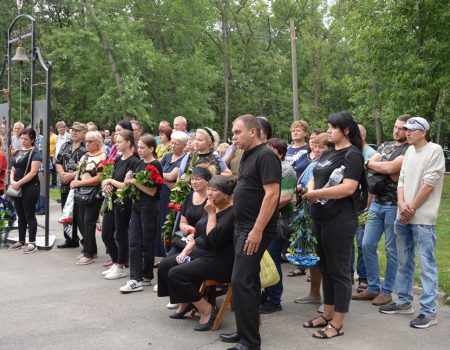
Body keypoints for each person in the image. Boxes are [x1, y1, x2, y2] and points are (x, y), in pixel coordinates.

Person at [219, 114, 281, 349]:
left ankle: (250, 343)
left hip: (255, 229)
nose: (233, 137)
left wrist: (257, 230)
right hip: (242, 226)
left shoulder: (266, 155)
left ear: (252, 132)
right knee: (249, 282)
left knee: (241, 280)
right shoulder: (246, 155)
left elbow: (272, 195)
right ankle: (245, 331)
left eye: (237, 132)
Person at [302, 111, 364, 339]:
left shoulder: (352, 155)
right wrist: (312, 192)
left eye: (332, 127)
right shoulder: (328, 153)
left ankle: (338, 322)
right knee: (325, 268)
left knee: (339, 272)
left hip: (340, 220)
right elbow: (314, 176)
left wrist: (317, 193)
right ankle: (327, 313)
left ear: (345, 130)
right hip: (320, 217)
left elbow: (348, 188)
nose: (328, 130)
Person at [379, 117, 445, 329]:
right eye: (406, 129)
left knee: (426, 264)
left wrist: (411, 207)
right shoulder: (408, 152)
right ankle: (404, 301)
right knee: (403, 260)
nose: (407, 133)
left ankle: (428, 312)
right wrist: (401, 204)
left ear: (423, 132)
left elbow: (429, 184)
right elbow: (402, 180)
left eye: (412, 130)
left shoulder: (434, 150)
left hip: (422, 218)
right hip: (404, 214)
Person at [158, 175, 236, 331]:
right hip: (201, 251)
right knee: (165, 265)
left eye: (215, 190)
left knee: (177, 273)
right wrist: (192, 238)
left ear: (226, 194)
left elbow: (213, 240)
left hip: (219, 260)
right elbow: (201, 229)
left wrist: (212, 213)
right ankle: (186, 302)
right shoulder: (212, 204)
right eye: (209, 189)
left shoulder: (230, 213)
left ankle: (207, 309)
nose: (210, 193)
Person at [352, 115, 411, 306]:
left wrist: (380, 167)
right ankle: (373, 288)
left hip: (394, 205)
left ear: (408, 130)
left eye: (401, 128)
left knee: (390, 249)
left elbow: (392, 168)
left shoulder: (409, 149)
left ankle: (386, 292)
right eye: (395, 127)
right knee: (367, 244)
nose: (397, 131)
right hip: (376, 203)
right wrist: (380, 167)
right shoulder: (385, 145)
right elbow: (372, 164)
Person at [119, 134, 163, 292]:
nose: (140, 150)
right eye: (139, 147)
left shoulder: (156, 165)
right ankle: (135, 278)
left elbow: (152, 191)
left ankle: (146, 274)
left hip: (149, 206)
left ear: (151, 148)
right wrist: (128, 180)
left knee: (147, 241)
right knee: (135, 240)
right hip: (136, 205)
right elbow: (129, 184)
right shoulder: (138, 163)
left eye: (143, 147)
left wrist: (135, 182)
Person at [293, 133, 329, 309]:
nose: (317, 149)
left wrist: (312, 192)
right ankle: (314, 293)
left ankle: (332, 301)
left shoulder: (332, 165)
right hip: (309, 213)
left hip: (327, 214)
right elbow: (303, 184)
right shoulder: (314, 164)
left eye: (322, 147)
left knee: (327, 258)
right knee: (314, 256)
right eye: (315, 146)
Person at [261, 138, 296, 314]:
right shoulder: (268, 167)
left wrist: (262, 208)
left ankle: (275, 300)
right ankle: (266, 294)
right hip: (267, 220)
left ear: (280, 153)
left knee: (273, 260)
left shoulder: (286, 170)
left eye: (270, 150)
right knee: (265, 259)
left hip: (281, 222)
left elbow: (285, 197)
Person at [101, 130, 140, 279]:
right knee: (106, 234)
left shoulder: (134, 162)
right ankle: (117, 261)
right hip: (112, 200)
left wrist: (110, 181)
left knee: (121, 234)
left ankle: (121, 264)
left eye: (119, 141)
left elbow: (127, 185)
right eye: (115, 142)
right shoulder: (117, 160)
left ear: (128, 142)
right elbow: (109, 177)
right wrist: (106, 184)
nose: (116, 144)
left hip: (124, 201)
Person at [71, 131, 107, 265]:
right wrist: (75, 182)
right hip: (81, 193)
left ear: (97, 143)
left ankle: (88, 254)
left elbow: (100, 178)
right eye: (86, 141)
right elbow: (79, 172)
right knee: (81, 221)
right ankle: (91, 249)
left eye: (90, 141)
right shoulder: (85, 156)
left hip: (94, 193)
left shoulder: (102, 156)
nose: (86, 144)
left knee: (89, 222)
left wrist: (79, 183)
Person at [8, 128, 43, 253]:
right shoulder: (18, 151)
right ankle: (21, 240)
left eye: (26, 139)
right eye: (21, 138)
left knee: (29, 214)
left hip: (30, 187)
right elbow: (13, 168)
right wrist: (12, 181)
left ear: (32, 140)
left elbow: (33, 172)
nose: (23, 141)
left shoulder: (35, 153)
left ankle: (32, 242)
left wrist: (18, 183)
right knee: (20, 214)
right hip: (16, 186)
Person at [350, 124, 376, 293]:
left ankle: (364, 277)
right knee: (347, 242)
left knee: (361, 242)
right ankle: (348, 274)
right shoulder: (350, 152)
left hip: (364, 204)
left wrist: (367, 205)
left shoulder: (371, 154)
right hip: (348, 204)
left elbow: (372, 183)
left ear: (362, 136)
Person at [55, 122, 87, 248]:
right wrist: (63, 174)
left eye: (77, 130)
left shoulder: (87, 147)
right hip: (65, 184)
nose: (74, 132)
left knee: (81, 216)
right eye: (73, 130)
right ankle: (70, 240)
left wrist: (72, 175)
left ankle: (87, 242)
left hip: (80, 186)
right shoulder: (65, 145)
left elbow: (88, 167)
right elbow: (57, 161)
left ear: (84, 132)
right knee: (66, 212)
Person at [166, 166, 210, 257]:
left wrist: (195, 233)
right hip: (186, 238)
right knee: (167, 261)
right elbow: (182, 222)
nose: (194, 182)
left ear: (207, 181)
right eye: (192, 179)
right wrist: (186, 227)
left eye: (198, 179)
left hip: (201, 241)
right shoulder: (189, 196)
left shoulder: (211, 199)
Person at [158, 131, 189, 256]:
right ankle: (159, 252)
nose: (173, 145)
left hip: (171, 196)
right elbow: (154, 169)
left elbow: (172, 176)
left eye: (177, 143)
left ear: (184, 145)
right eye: (172, 142)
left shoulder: (184, 159)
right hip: (161, 194)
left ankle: (166, 252)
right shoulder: (167, 156)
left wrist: (160, 177)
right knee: (159, 223)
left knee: (167, 223)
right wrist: (164, 179)